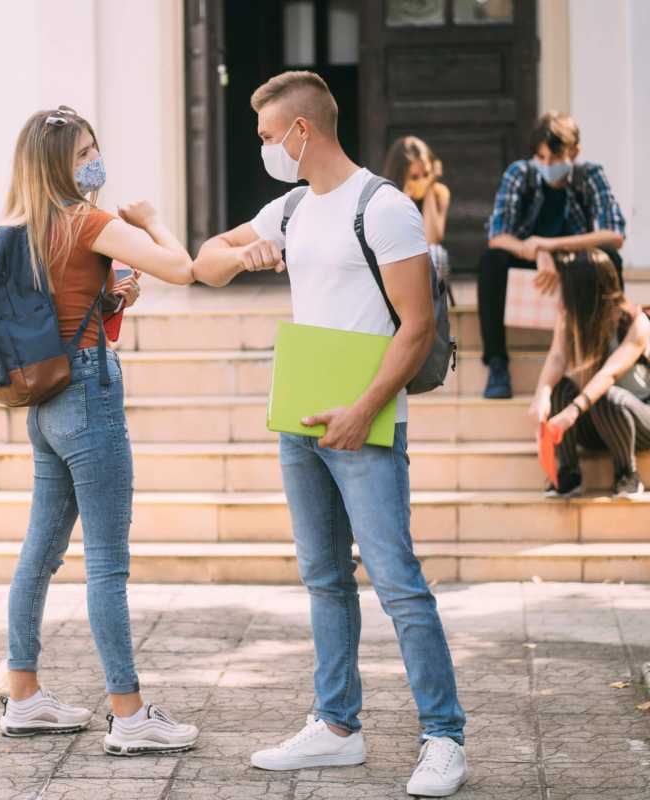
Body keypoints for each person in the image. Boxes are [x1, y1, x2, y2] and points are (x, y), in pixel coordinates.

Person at [192, 72, 468, 797]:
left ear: (301, 131)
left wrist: (362, 409)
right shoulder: (290, 208)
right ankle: (338, 727)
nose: (263, 149)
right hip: (300, 419)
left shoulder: (384, 208)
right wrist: (244, 254)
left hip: (366, 424)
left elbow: (418, 327)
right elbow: (203, 263)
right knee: (323, 579)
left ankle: (444, 737)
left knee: (398, 583)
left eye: (267, 137)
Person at [0, 106, 200, 756]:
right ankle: (130, 714)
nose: (94, 161)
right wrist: (151, 221)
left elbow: (61, 305)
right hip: (88, 393)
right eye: (83, 152)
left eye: (94, 148)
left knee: (39, 554)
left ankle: (24, 696)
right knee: (107, 563)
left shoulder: (24, 226)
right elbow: (182, 268)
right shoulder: (89, 221)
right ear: (59, 163)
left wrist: (109, 300)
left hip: (45, 399)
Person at [478, 111, 626, 399]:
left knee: (611, 258)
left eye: (555, 158)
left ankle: (610, 349)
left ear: (574, 152)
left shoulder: (589, 175)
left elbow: (614, 235)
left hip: (576, 263)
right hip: (530, 262)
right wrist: (535, 252)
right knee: (491, 261)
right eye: (541, 157)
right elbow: (498, 235)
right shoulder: (520, 173)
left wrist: (549, 246)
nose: (547, 165)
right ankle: (497, 364)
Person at [532, 249, 649, 498]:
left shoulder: (636, 322)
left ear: (582, 291)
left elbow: (609, 374)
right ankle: (568, 472)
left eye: (564, 288)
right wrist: (541, 395)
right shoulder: (571, 318)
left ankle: (627, 474)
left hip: (639, 420)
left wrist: (572, 411)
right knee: (560, 389)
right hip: (600, 422)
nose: (559, 295)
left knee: (607, 394)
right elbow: (557, 358)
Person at [383, 135, 452, 300]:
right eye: (414, 177)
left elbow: (432, 239)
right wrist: (404, 202)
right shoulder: (386, 197)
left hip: (425, 271)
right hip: (395, 264)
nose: (421, 180)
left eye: (426, 174)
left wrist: (428, 191)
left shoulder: (439, 194)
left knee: (436, 254)